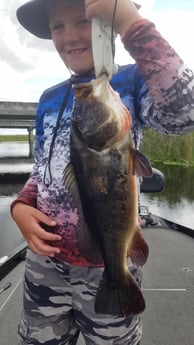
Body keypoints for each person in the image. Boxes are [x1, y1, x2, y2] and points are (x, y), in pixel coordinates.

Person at [11, 0, 194, 344]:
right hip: (45, 266)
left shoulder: (131, 83)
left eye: (82, 21)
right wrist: (20, 206)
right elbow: (42, 172)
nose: (70, 36)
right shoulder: (49, 98)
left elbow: (186, 112)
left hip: (110, 261)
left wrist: (129, 21)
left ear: (104, 25)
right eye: (58, 27)